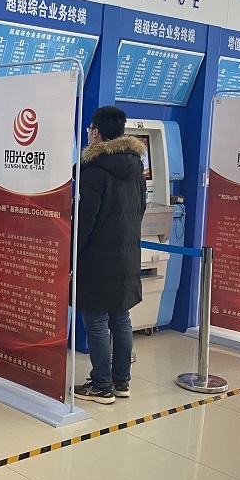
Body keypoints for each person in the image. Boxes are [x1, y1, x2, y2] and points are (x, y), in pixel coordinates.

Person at [73, 106, 147, 404]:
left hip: (97, 258)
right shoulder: (136, 169)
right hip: (127, 255)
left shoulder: (94, 171)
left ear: (96, 133)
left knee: (95, 320)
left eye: (90, 130)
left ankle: (102, 386)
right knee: (121, 318)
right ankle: (121, 382)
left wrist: (71, 254)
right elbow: (140, 210)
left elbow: (84, 222)